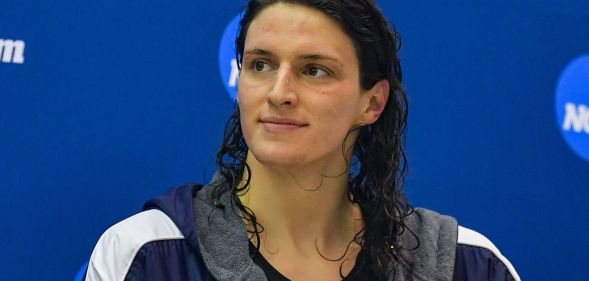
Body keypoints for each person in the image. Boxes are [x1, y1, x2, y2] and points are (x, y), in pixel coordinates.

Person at [85, 1, 521, 280]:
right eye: (260, 65)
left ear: (372, 103)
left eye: (314, 70)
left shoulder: (468, 266)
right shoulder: (151, 255)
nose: (279, 92)